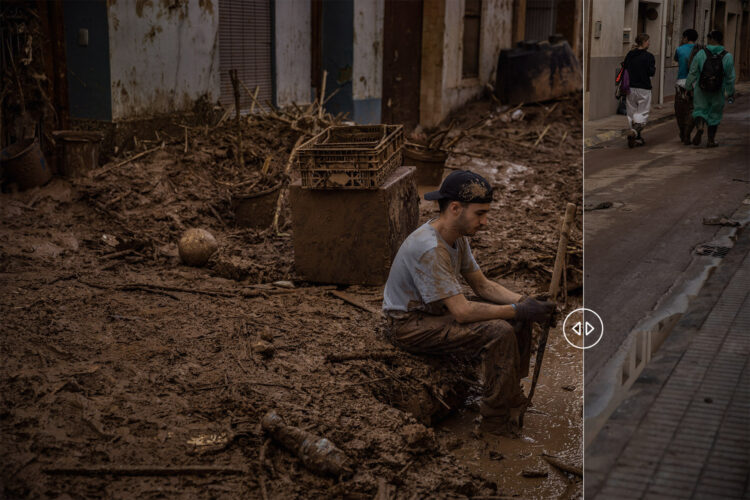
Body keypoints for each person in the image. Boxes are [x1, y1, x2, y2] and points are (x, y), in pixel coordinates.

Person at [381, 170, 555, 435]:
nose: (485, 222)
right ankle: (495, 420)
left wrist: (525, 303)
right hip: (409, 325)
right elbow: (462, 312)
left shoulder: (456, 237)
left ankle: (509, 392)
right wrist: (517, 310)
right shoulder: (430, 248)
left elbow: (482, 285)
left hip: (434, 311)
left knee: (518, 316)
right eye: (480, 213)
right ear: (454, 208)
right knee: (499, 331)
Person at [686, 30, 736, 147]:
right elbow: (730, 77)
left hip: (701, 89)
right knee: (714, 114)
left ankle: (700, 127)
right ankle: (710, 140)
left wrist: (688, 86)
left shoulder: (701, 53)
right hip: (718, 90)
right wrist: (730, 92)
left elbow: (693, 72)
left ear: (711, 39)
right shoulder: (727, 56)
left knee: (699, 110)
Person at [622, 33, 656, 148]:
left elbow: (624, 66)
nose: (649, 43)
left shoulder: (630, 54)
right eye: (648, 41)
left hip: (630, 87)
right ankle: (635, 132)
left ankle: (636, 136)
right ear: (644, 42)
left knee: (631, 112)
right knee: (642, 113)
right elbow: (651, 72)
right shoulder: (649, 56)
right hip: (644, 88)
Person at [674, 29, 700, 145]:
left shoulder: (679, 49)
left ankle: (683, 131)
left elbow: (676, 59)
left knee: (680, 110)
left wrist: (681, 45)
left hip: (682, 83)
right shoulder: (700, 50)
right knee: (692, 109)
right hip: (696, 84)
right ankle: (687, 132)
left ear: (685, 37)